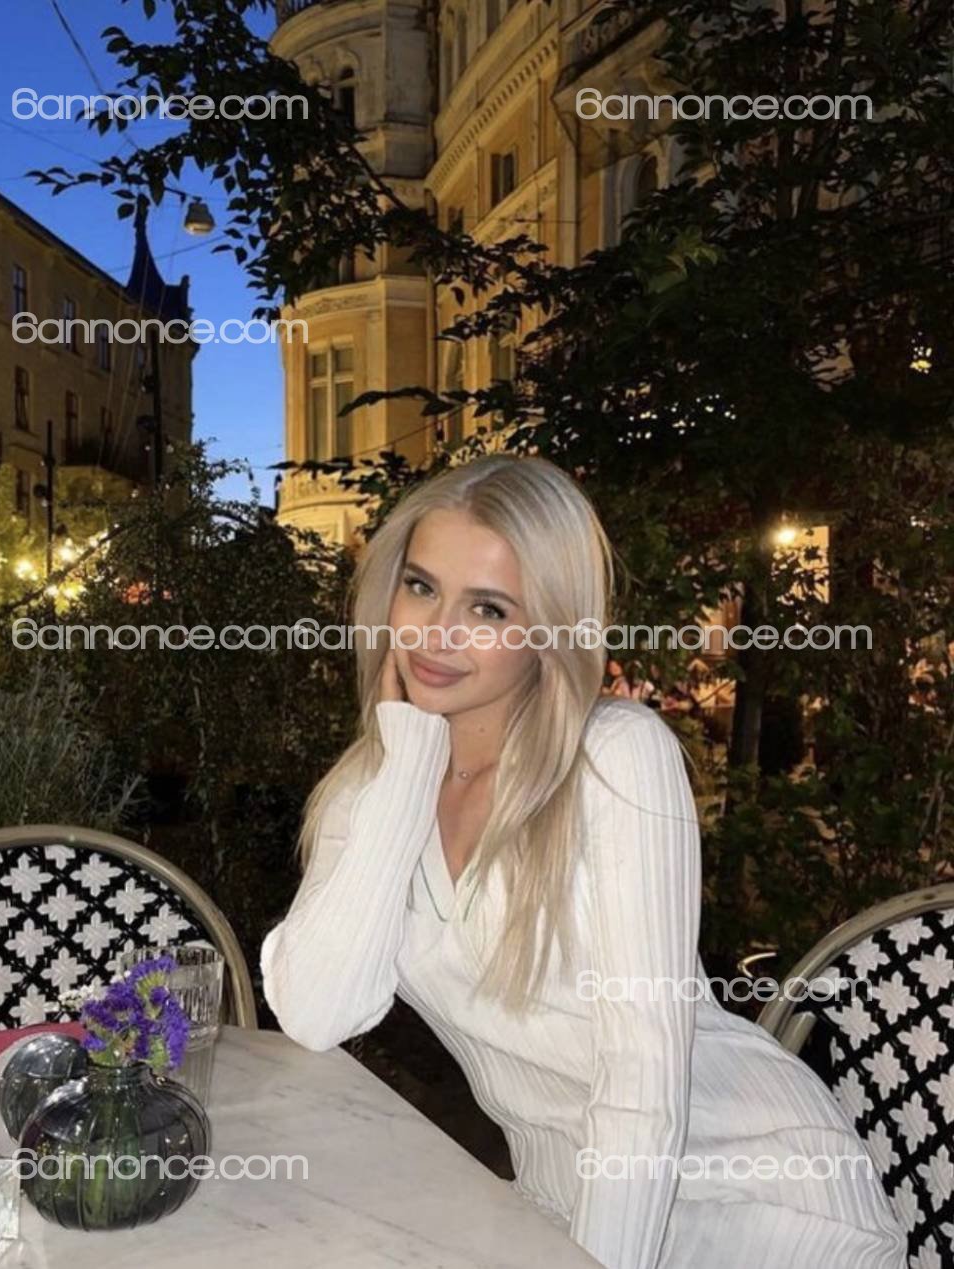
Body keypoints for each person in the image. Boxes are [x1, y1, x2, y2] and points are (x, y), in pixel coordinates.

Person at [260, 454, 907, 1269]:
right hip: (563, 1209)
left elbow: (642, 1081)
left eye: (488, 607)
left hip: (756, 1204)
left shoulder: (615, 757)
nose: (435, 633)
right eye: (421, 587)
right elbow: (318, 1012)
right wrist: (405, 764)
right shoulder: (371, 788)